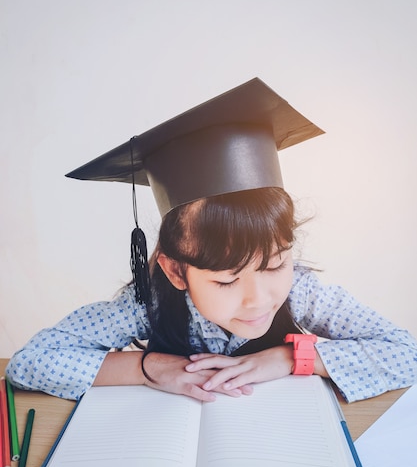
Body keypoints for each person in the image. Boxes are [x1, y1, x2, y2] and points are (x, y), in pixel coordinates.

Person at [6, 79, 417, 403]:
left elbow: (405, 353)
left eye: (274, 265)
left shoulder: (303, 291)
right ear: (176, 270)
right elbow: (30, 363)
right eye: (225, 280)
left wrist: (290, 358)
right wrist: (148, 369)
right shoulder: (150, 301)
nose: (258, 298)